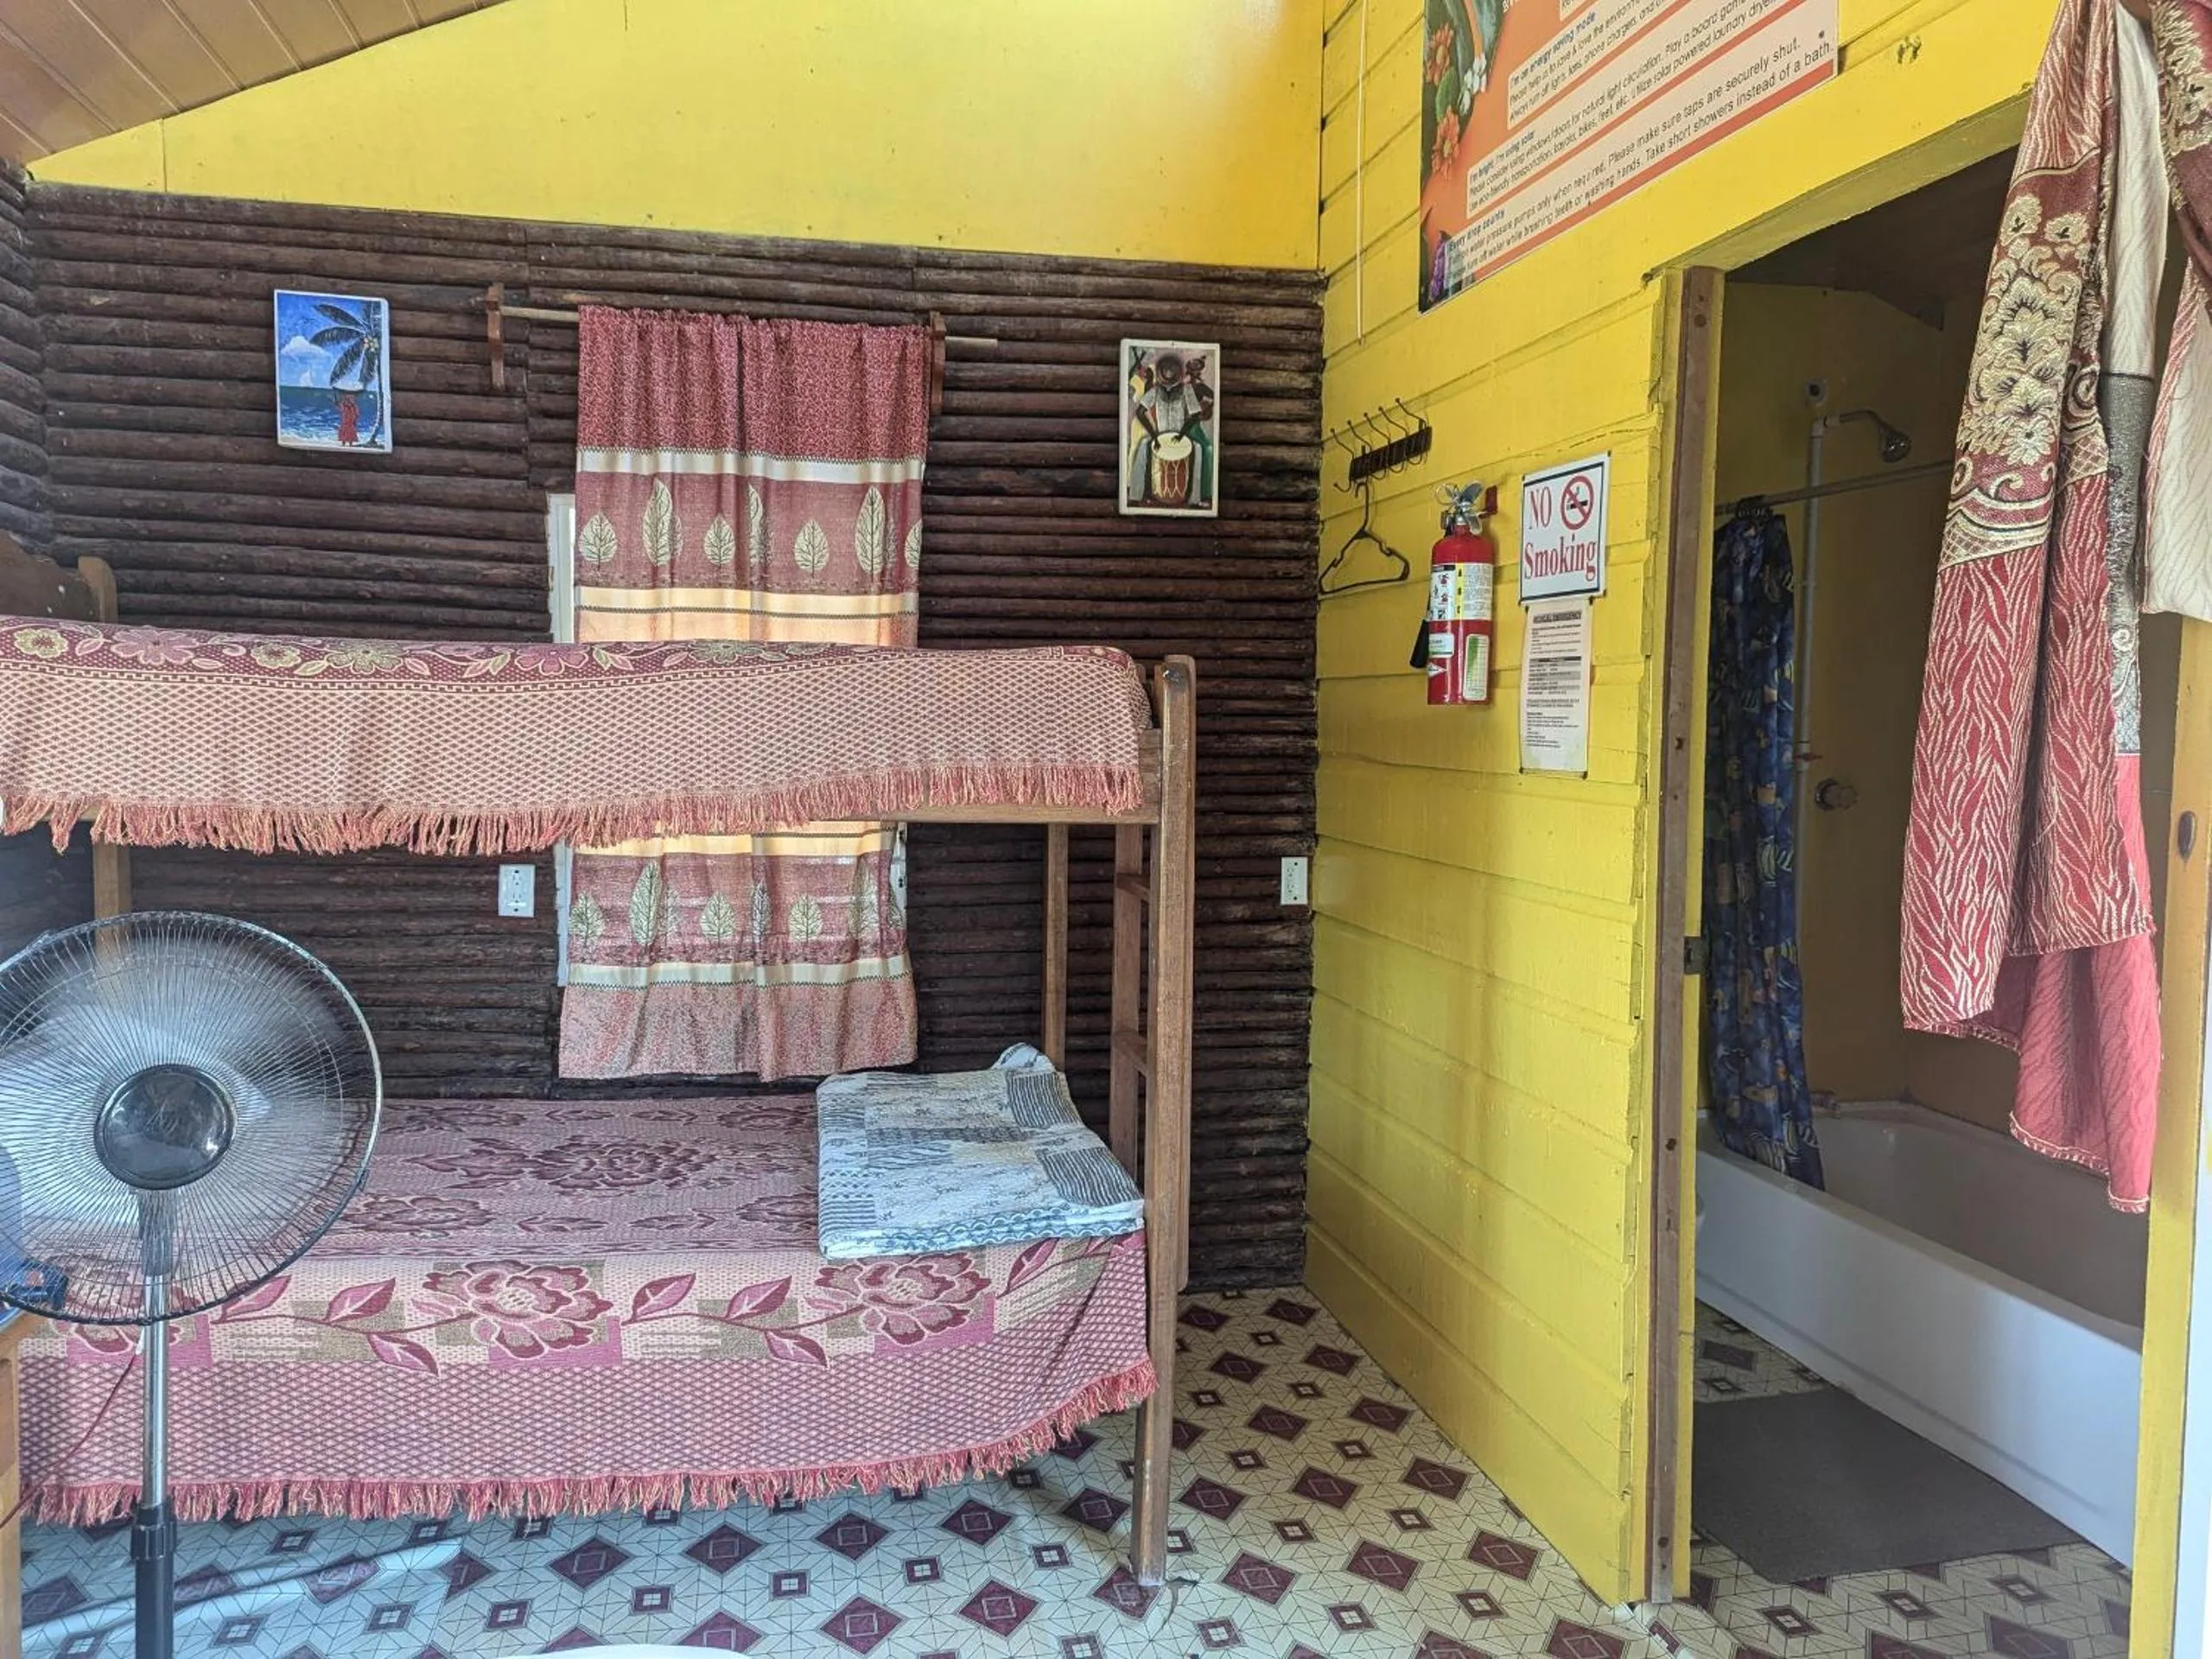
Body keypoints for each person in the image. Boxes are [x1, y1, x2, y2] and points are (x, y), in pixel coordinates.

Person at [1129, 350, 1216, 507]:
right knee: (1143, 445)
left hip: (1180, 435)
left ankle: (1195, 499)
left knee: (1198, 448)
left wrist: (1182, 435)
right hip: (1160, 435)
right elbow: (1140, 412)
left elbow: (1195, 415)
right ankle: (1138, 494)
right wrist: (1154, 436)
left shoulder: (1187, 390)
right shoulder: (1155, 390)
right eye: (1166, 371)